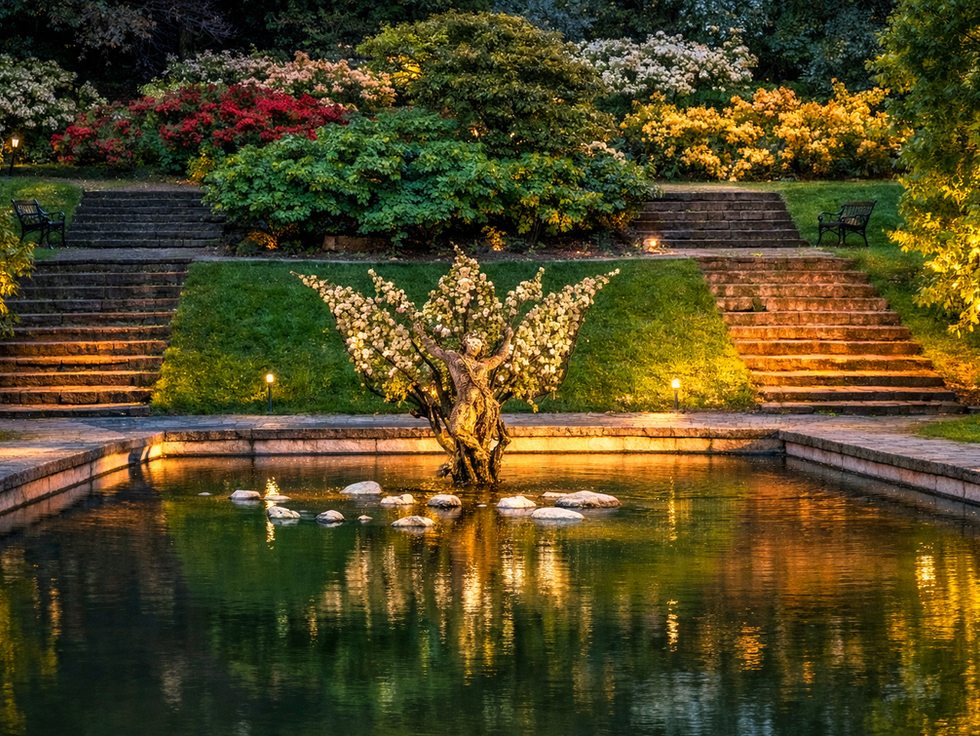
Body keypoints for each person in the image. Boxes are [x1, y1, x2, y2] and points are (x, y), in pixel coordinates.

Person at [414, 323, 512, 460]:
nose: (474, 346)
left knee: (481, 432)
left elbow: (500, 356)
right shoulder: (454, 358)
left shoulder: (483, 363)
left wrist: (508, 339)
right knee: (456, 430)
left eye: (478, 344)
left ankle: (478, 458)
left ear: (481, 348)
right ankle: (478, 451)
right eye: (471, 342)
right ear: (465, 344)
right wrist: (422, 335)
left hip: (483, 404)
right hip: (465, 402)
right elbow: (435, 350)